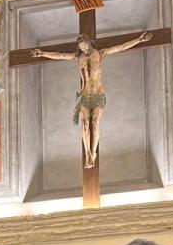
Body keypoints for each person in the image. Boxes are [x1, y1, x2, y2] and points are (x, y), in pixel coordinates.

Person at [29, 31, 153, 168]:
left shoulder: (100, 53)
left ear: (89, 43)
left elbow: (121, 47)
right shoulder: (78, 57)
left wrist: (139, 40)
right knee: (84, 123)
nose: (84, 48)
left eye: (85, 45)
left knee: (94, 122)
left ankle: (93, 152)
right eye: (81, 47)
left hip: (98, 94)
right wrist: (42, 53)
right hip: (84, 95)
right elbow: (60, 55)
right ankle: (87, 152)